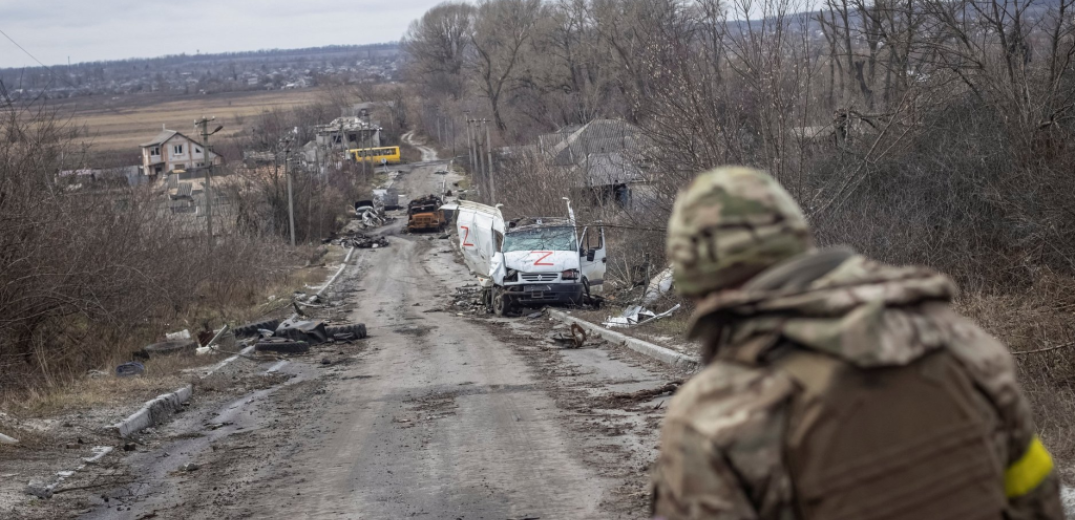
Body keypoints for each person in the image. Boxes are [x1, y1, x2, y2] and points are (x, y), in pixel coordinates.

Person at [650, 166, 1063, 520]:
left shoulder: (713, 416)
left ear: (697, 284)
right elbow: (1040, 498)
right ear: (798, 243)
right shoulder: (961, 343)